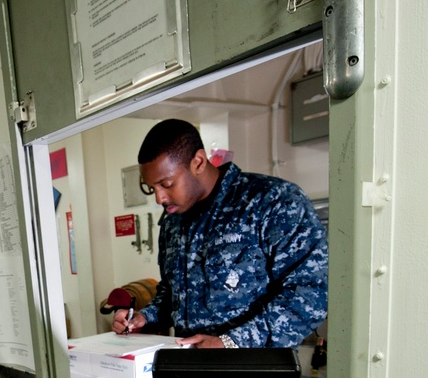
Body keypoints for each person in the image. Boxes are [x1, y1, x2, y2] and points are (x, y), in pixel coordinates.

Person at [112, 119, 328, 348]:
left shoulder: (272, 202)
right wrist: (145, 317)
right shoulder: (172, 222)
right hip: (191, 372)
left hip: (255, 376)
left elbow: (311, 293)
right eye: (150, 188)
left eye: (166, 184)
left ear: (198, 162)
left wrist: (231, 342)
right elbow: (171, 293)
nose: (159, 198)